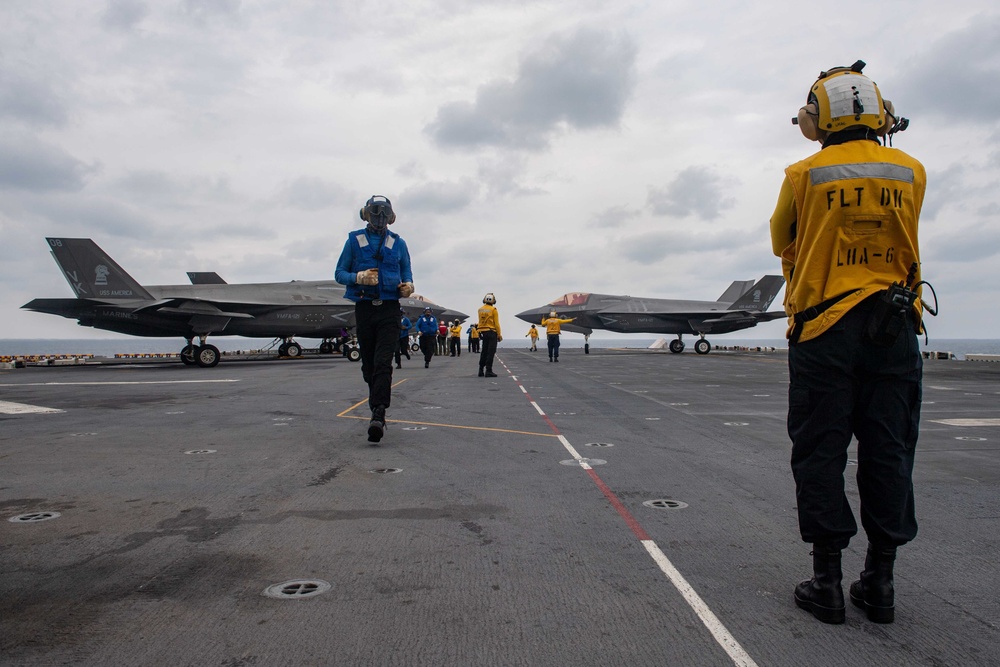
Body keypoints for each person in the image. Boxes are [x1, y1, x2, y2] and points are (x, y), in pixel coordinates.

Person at [770, 61, 925, 625]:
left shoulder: (802, 175)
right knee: (889, 452)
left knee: (820, 452)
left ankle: (827, 581)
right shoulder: (911, 170)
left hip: (823, 330)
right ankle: (880, 582)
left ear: (821, 115)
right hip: (895, 328)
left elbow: (778, 238)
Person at [335, 195, 414, 444]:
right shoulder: (354, 240)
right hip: (365, 309)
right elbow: (339, 273)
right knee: (368, 367)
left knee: (383, 363)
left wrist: (408, 286)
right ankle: (376, 404)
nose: (379, 220)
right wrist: (358, 277)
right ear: (366, 215)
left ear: (390, 217)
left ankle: (379, 413)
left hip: (390, 310)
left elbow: (407, 273)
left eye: (383, 215)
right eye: (375, 214)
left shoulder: (398, 244)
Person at [477, 293, 501, 377]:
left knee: (484, 350)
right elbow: (496, 323)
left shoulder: (480, 309)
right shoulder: (493, 309)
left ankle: (480, 370)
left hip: (483, 332)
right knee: (491, 351)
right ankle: (488, 370)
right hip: (491, 332)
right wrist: (499, 334)